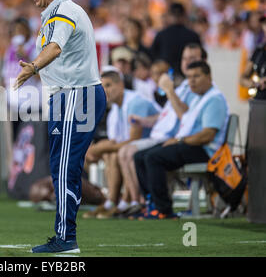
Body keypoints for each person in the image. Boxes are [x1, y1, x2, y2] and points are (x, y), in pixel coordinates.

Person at [15, 0, 106, 253]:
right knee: (60, 167)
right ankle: (64, 235)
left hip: (77, 96)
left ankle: (67, 239)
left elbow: (54, 50)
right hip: (64, 97)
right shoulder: (52, 15)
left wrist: (32, 68)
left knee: (65, 167)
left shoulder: (64, 11)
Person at [116, 43, 207, 216]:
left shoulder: (197, 88)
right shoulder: (184, 87)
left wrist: (169, 91)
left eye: (193, 59)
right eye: (185, 59)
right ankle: (148, 201)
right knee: (136, 155)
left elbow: (185, 119)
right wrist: (143, 121)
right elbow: (165, 116)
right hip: (174, 138)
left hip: (185, 140)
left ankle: (154, 205)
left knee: (142, 155)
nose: (187, 63)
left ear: (203, 61)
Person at [134, 61, 229, 219]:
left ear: (209, 77)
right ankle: (150, 203)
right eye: (189, 77)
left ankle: (163, 209)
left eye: (196, 76)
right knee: (139, 156)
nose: (192, 80)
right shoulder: (199, 98)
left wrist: (179, 140)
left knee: (153, 158)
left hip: (206, 150)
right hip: (191, 144)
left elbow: (207, 135)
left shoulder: (214, 99)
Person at [82, 69, 159, 219]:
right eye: (102, 87)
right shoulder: (115, 110)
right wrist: (100, 148)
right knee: (110, 154)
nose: (105, 91)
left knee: (118, 152)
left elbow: (133, 140)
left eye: (109, 85)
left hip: (155, 143)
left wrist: (98, 148)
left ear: (121, 85)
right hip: (139, 147)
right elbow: (115, 142)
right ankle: (112, 202)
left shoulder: (135, 102)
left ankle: (129, 201)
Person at [150, 2, 201, 82]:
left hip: (166, 77)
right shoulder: (192, 35)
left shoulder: (162, 34)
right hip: (188, 77)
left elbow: (153, 56)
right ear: (184, 16)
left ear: (169, 16)